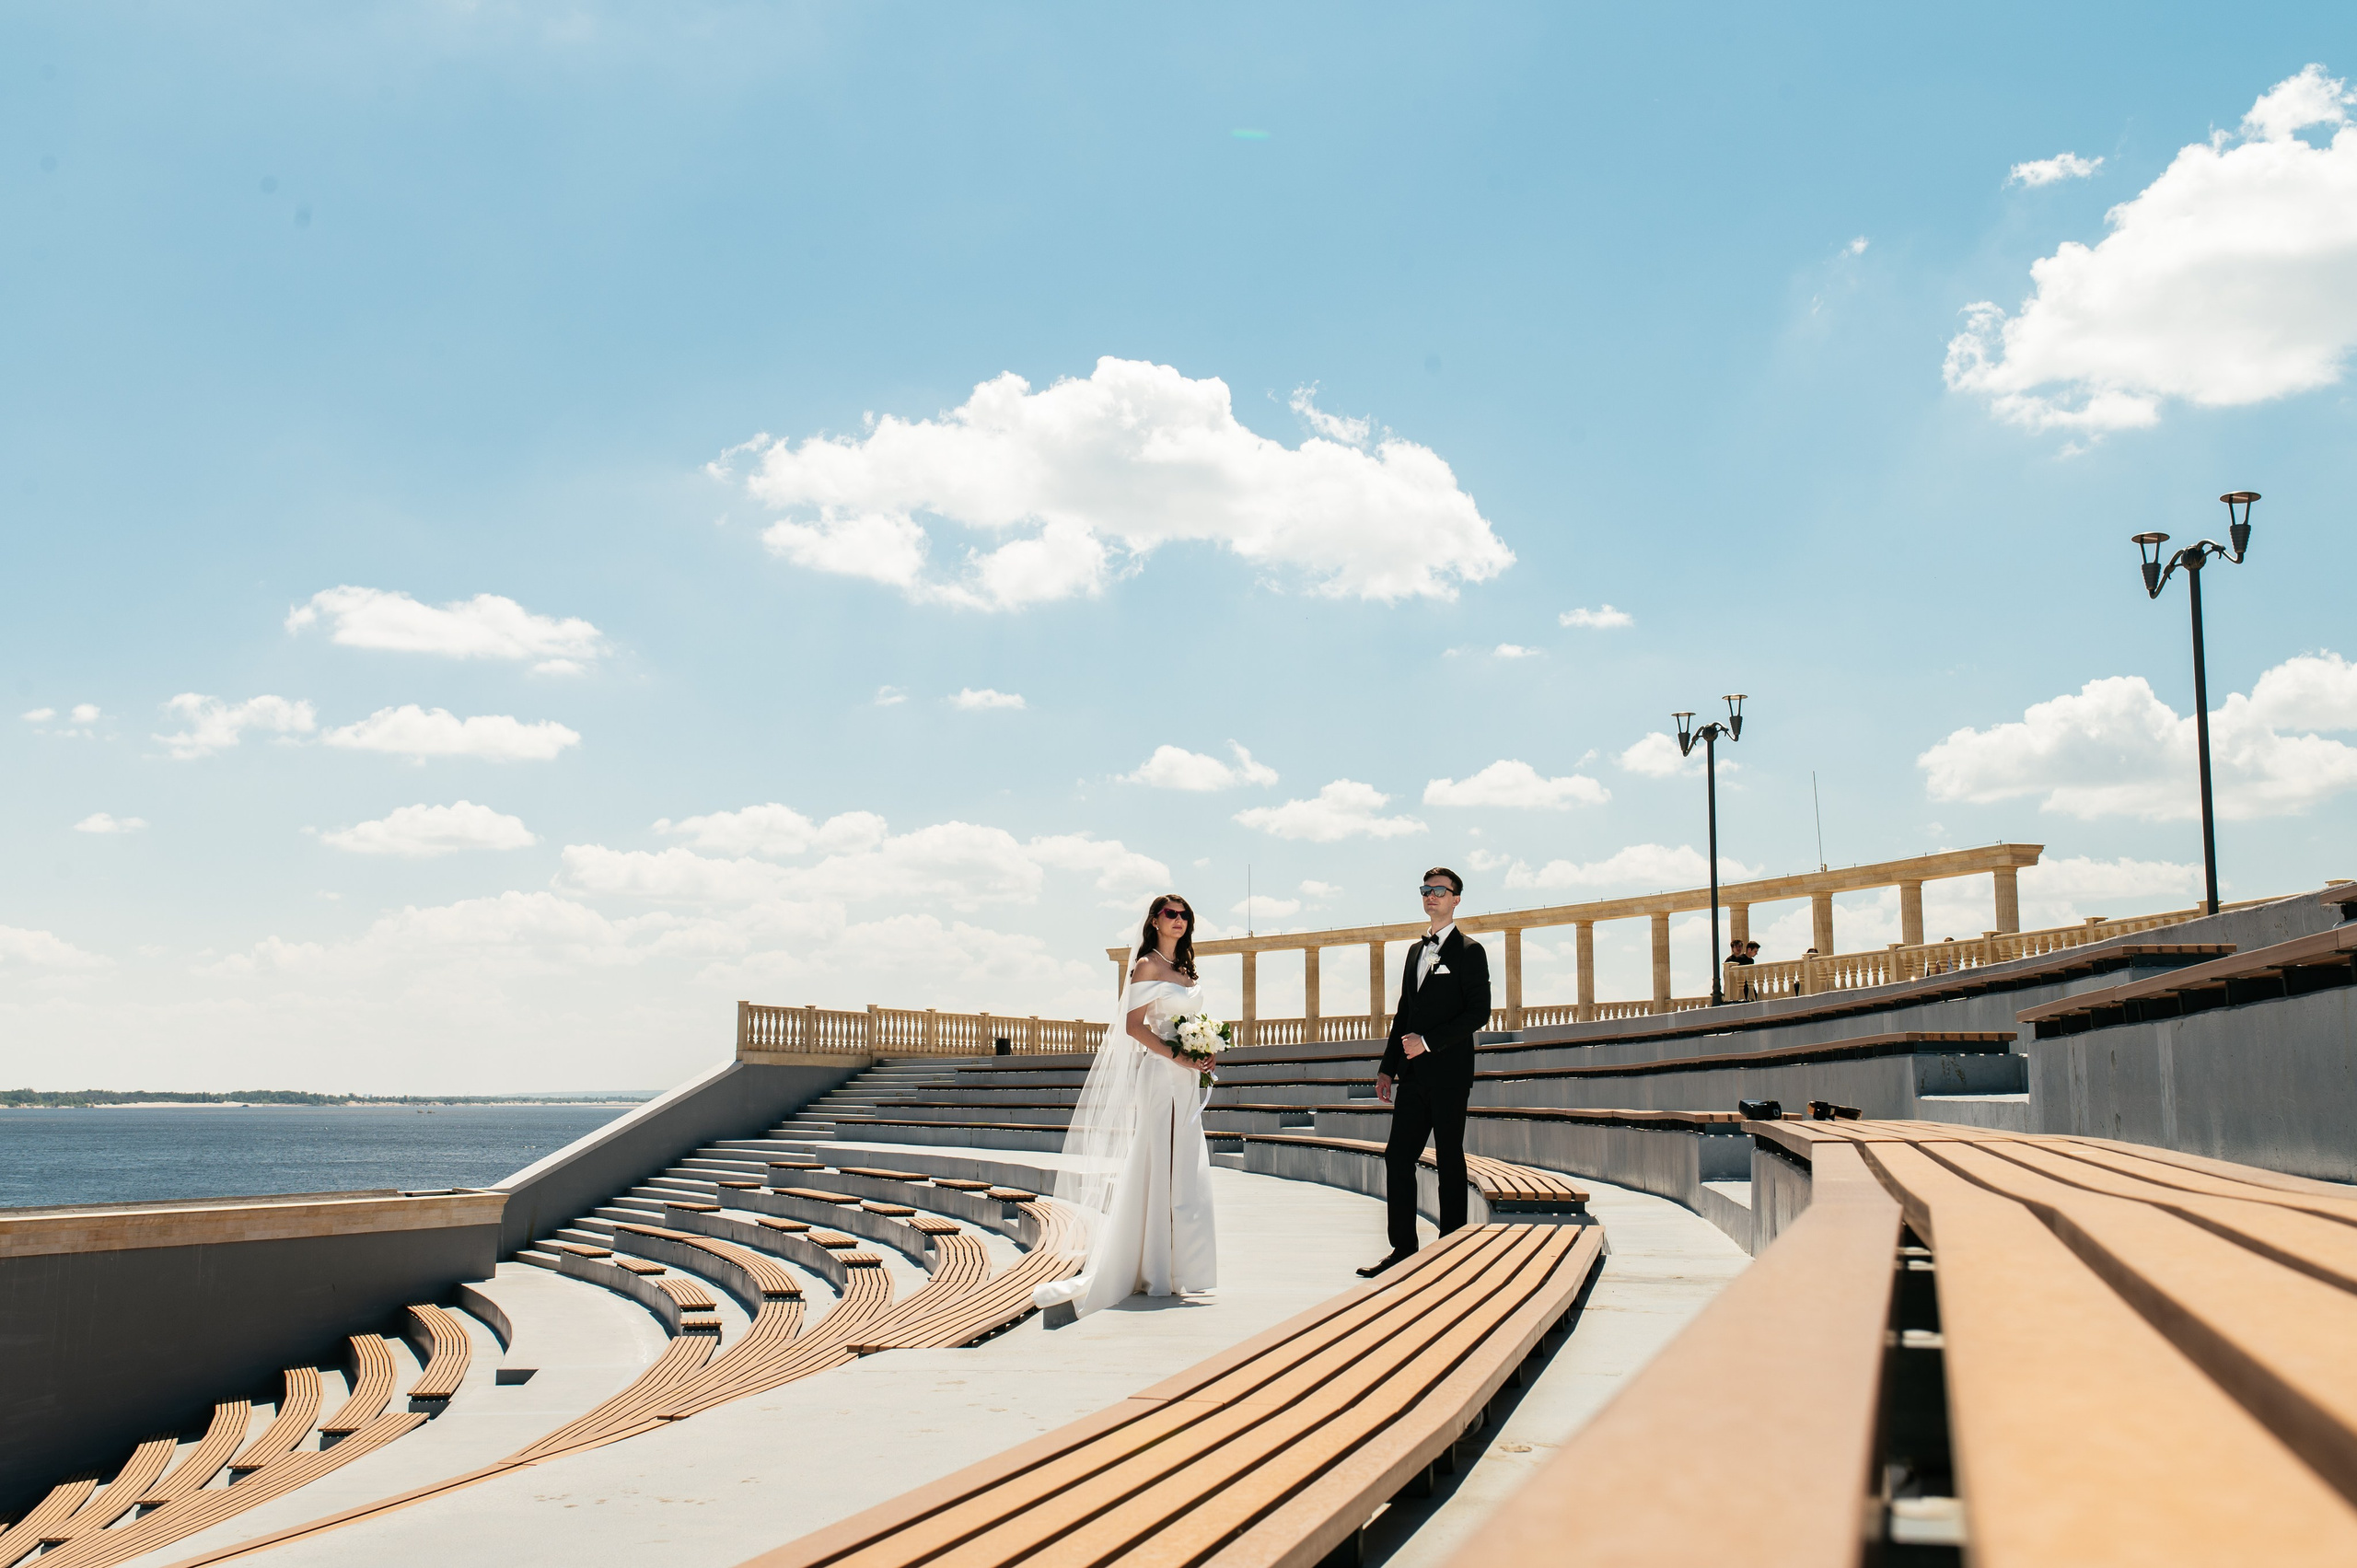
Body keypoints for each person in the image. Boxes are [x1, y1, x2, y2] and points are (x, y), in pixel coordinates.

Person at [1033, 895, 1219, 1319]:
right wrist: (1178, 1056)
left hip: (1187, 1078)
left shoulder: (1186, 968)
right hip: (1161, 1074)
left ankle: (1180, 1266)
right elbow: (1134, 1026)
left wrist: (1205, 1051)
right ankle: (1151, 1266)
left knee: (1184, 1165)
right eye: (1170, 914)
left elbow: (1190, 1024)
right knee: (1157, 1163)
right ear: (1154, 921)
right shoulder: (1146, 966)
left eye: (1184, 915)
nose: (1179, 920)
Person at [1358, 867, 1492, 1279]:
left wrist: (1429, 1042)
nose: (1431, 896)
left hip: (1450, 1074)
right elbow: (1405, 1013)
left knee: (1449, 1158)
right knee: (1397, 1156)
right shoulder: (1416, 952)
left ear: (1456, 899)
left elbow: (1479, 1012)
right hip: (1413, 1076)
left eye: (1439, 890)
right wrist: (1387, 1068)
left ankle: (1451, 1249)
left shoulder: (1470, 951)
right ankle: (1403, 1248)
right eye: (1426, 890)